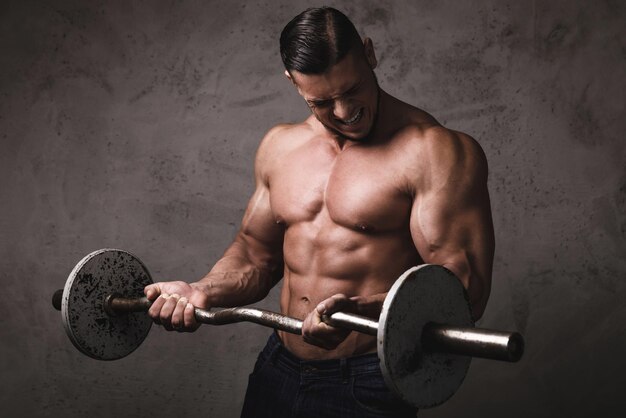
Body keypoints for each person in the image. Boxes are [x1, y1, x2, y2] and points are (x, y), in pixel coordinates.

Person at [144, 7, 494, 418]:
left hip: (368, 379)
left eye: (353, 89)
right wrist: (203, 289)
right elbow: (256, 255)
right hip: (278, 368)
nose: (345, 112)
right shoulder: (280, 147)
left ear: (369, 53)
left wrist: (359, 312)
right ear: (293, 84)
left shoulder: (434, 152)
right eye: (322, 102)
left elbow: (463, 291)